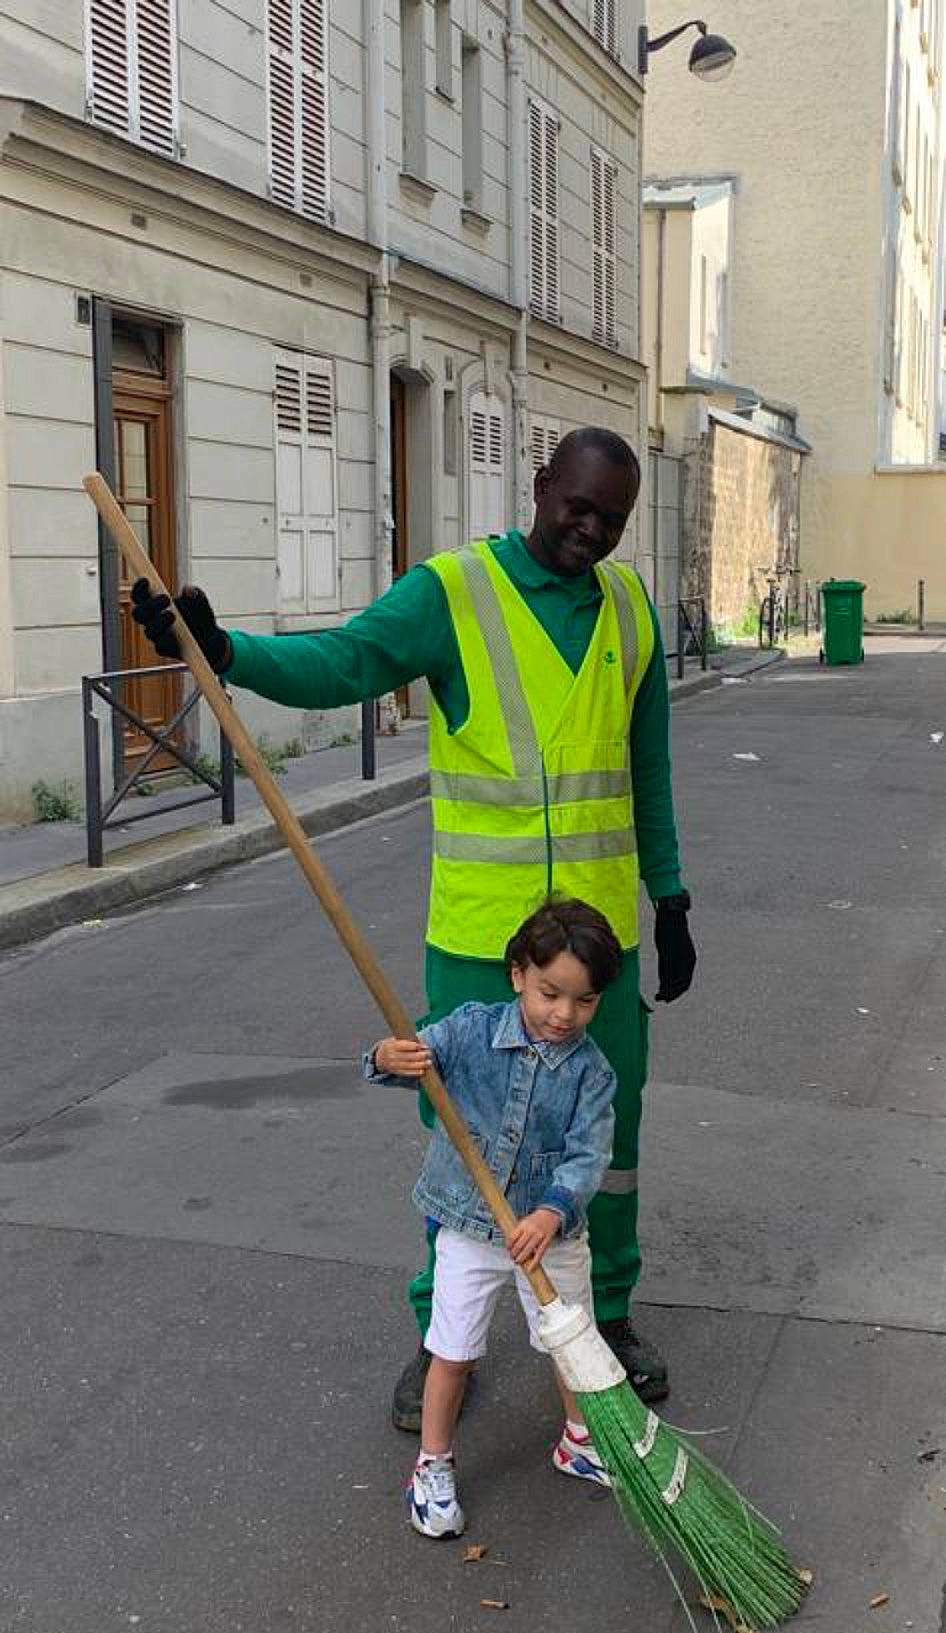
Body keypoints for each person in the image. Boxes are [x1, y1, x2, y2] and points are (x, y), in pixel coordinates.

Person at [131, 423, 696, 1427]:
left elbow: (644, 764)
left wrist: (672, 893)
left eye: (612, 517)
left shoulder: (630, 610)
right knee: (466, 1148)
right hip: (483, 947)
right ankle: (447, 1333)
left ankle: (602, 1312)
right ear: (538, 487)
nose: (591, 529)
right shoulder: (454, 592)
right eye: (577, 506)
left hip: (600, 946)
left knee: (604, 1140)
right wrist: (220, 652)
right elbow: (345, 660)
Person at [365, 898, 622, 1537]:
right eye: (549, 992)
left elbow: (589, 1158)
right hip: (468, 1228)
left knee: (571, 1344)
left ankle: (580, 1439)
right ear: (517, 975)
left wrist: (550, 1213)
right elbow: (412, 1060)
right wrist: (386, 1059)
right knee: (450, 1351)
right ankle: (432, 1464)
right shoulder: (470, 1031)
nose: (564, 1014)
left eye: (584, 1001)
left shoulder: (593, 1074)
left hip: (549, 1235)